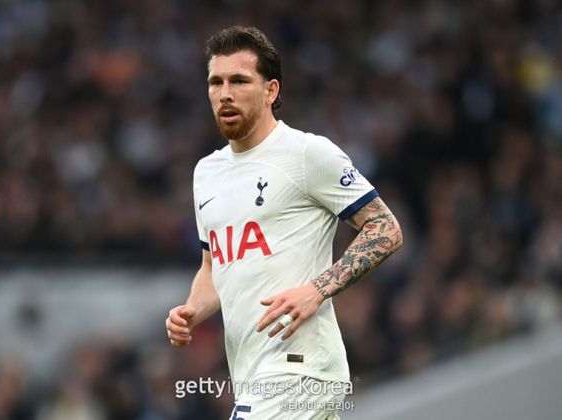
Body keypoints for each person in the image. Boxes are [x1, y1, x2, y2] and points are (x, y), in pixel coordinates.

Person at [166, 25, 403, 419]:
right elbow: (213, 266)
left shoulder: (307, 154)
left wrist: (316, 290)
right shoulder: (206, 172)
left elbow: (385, 228)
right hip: (252, 373)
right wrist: (190, 311)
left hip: (301, 367)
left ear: (270, 91)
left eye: (239, 80)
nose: (225, 93)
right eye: (216, 82)